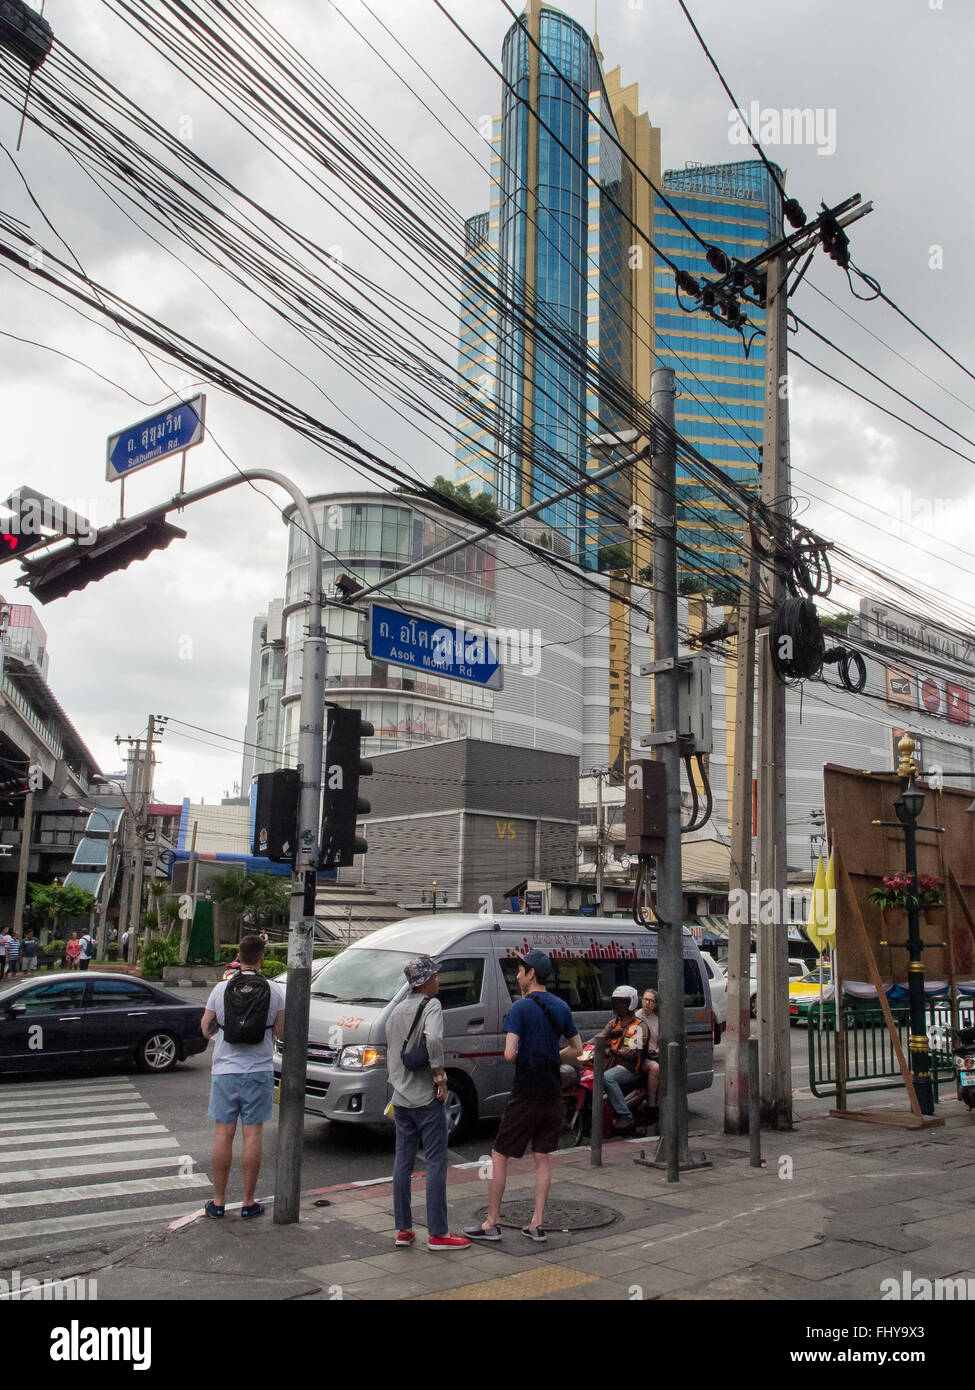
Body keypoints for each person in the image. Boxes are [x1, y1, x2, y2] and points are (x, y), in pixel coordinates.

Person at [464, 950, 583, 1245]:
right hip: (553, 1092)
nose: (516, 976)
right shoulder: (562, 1007)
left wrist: (528, 1055)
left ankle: (492, 1222)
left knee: (499, 1154)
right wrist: (552, 1055)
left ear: (531, 974)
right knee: (542, 1158)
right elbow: (578, 1049)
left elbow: (509, 1054)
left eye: (519, 971)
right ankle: (537, 1223)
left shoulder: (519, 1009)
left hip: (525, 1091)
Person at [385, 955, 471, 1252]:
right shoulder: (432, 1005)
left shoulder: (396, 1011)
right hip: (425, 1097)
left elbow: (392, 1054)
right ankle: (438, 1233)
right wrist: (439, 1073)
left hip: (401, 1098)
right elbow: (433, 1038)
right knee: (436, 1161)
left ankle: (404, 1229)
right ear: (423, 982)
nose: (439, 980)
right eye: (434, 976)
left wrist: (397, 1085)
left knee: (402, 1163)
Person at [200, 933, 285, 1219]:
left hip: (224, 1071)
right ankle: (248, 1202)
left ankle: (219, 1201)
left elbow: (206, 1027)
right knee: (253, 1135)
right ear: (262, 958)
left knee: (223, 1134)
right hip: (258, 1071)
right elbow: (281, 1032)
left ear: (239, 956)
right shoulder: (274, 990)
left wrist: (222, 1035)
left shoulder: (221, 989)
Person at [598, 986, 653, 1130]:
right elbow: (599, 1037)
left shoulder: (639, 1026)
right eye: (616, 1002)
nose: (618, 1006)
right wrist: (583, 1045)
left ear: (631, 1003)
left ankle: (625, 1115)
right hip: (613, 1064)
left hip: (631, 1068)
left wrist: (614, 1051)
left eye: (621, 1002)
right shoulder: (614, 1023)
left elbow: (633, 1053)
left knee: (606, 1078)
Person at [635, 988, 660, 1105]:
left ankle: (657, 1103)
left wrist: (658, 1049)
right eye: (645, 999)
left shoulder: (657, 1020)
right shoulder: (636, 1017)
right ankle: (651, 1105)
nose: (647, 1003)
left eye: (651, 1001)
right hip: (641, 1055)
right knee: (655, 1068)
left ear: (655, 1004)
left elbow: (660, 1040)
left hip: (655, 1054)